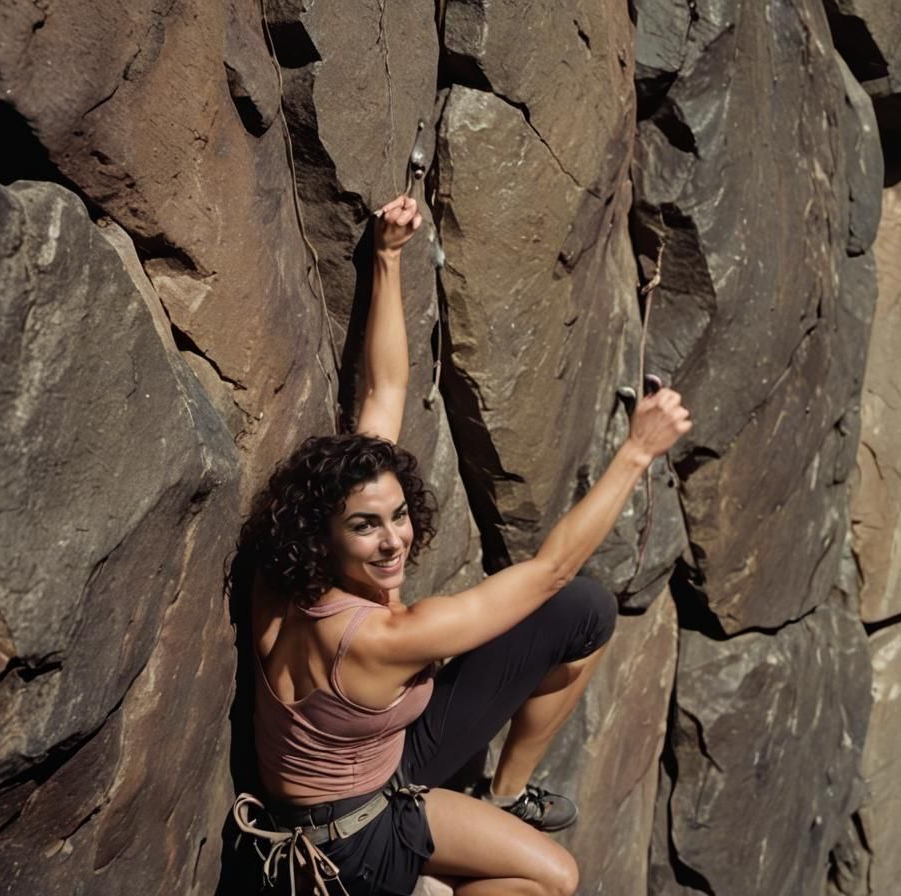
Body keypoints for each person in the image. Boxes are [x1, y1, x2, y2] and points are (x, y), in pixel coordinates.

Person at [235, 195, 692, 896]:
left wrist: (387, 257)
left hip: (361, 776)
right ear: (325, 532)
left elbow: (386, 390)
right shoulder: (384, 636)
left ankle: (505, 795)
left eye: (397, 516)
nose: (393, 540)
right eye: (367, 527)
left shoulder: (289, 573)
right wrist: (636, 453)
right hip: (354, 848)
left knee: (583, 612)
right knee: (553, 882)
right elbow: (549, 570)